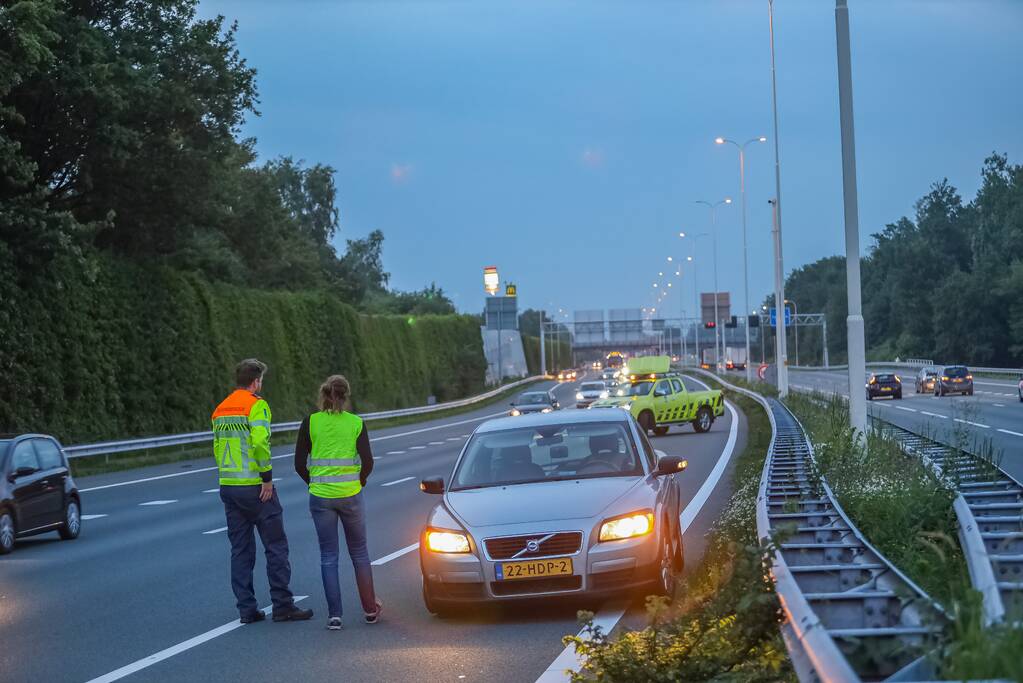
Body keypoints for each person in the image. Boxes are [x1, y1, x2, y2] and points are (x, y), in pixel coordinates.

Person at [212, 358, 313, 624]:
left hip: (229, 486)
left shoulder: (220, 409)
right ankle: (282, 606)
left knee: (240, 551)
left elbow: (217, 447)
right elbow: (260, 444)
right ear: (256, 381)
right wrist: (266, 478)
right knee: (276, 546)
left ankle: (247, 609)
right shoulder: (256, 406)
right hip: (255, 488)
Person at [294, 374, 381, 630]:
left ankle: (335, 616)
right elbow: (368, 462)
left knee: (328, 556)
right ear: (346, 396)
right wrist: (359, 482)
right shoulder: (355, 423)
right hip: (351, 494)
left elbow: (299, 464)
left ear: (323, 394)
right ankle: (370, 610)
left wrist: (314, 483)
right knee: (360, 554)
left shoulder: (310, 422)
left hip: (321, 497)